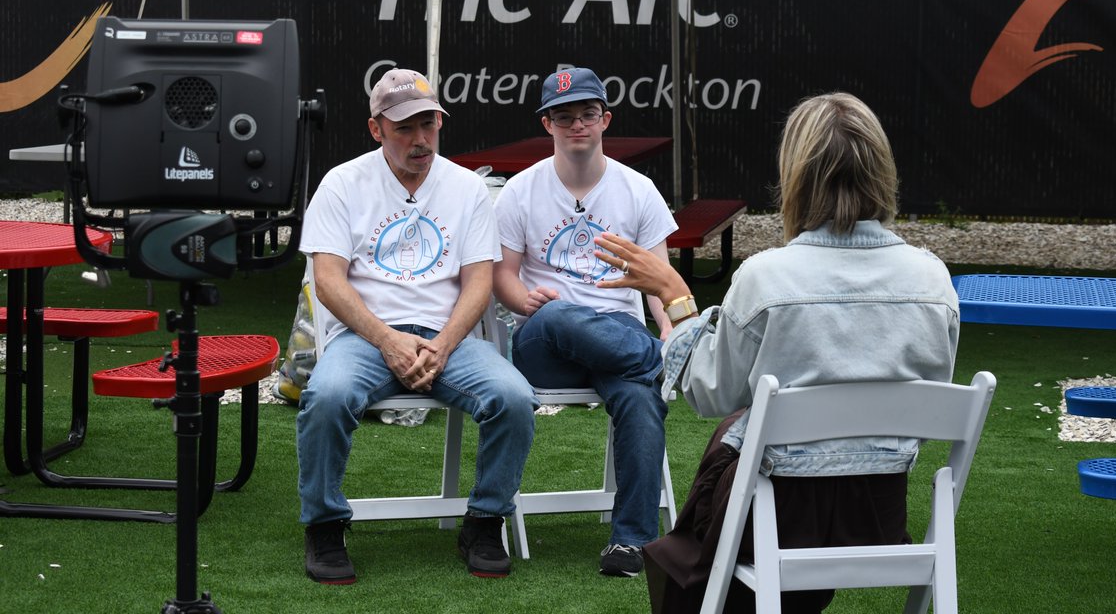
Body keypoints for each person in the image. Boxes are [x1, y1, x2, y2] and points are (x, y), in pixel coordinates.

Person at [594, 92, 960, 613]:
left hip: (776, 517)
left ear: (797, 176)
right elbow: (927, 400)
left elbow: (709, 393)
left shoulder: (768, 278)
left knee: (713, 497)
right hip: (877, 514)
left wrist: (676, 301)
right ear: (881, 170)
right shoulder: (933, 280)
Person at [296, 68, 539, 584]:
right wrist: (387, 340)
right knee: (327, 396)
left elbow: (479, 282)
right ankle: (324, 524)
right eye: (405, 127)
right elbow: (328, 281)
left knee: (514, 397)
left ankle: (484, 520)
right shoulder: (342, 183)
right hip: (365, 335)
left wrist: (444, 345)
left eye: (429, 123)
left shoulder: (466, 188)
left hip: (445, 334)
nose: (421, 139)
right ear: (375, 128)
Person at [492, 67, 678, 577]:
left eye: (588, 114)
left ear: (605, 120)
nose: (578, 125)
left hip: (614, 340)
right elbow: (501, 277)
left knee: (641, 400)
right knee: (561, 314)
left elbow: (659, 280)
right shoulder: (519, 191)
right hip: (545, 343)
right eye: (565, 116)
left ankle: (632, 544)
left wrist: (668, 325)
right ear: (547, 124)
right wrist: (528, 301)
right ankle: (654, 362)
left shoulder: (638, 190)